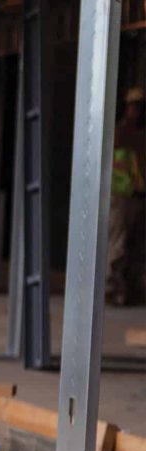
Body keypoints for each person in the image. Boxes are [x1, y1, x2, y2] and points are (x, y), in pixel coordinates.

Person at [108, 87, 145, 306]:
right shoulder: (120, 133)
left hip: (139, 196)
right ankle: (113, 290)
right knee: (118, 246)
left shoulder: (140, 135)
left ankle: (133, 290)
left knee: (137, 248)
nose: (136, 110)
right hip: (121, 195)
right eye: (133, 106)